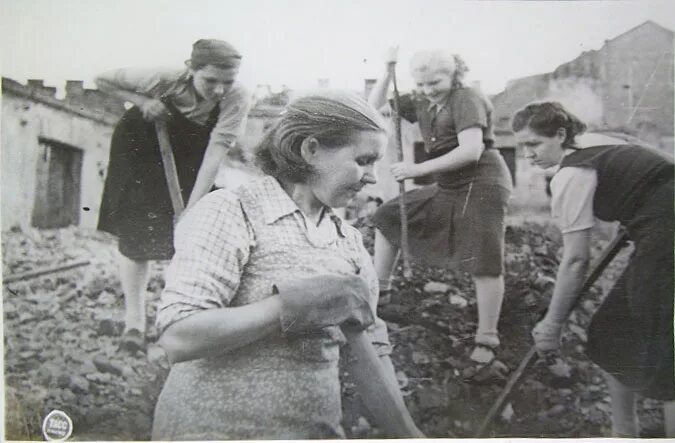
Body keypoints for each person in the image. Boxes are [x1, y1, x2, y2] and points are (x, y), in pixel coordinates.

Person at [151, 91, 424, 439]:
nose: (372, 176)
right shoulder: (233, 211)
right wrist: (291, 304)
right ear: (310, 150)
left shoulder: (349, 243)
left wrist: (411, 436)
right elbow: (178, 337)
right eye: (364, 160)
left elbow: (368, 351)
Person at [512, 101, 674, 437]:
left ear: (560, 134)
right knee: (611, 332)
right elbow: (646, 182)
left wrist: (553, 324)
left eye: (534, 144)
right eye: (521, 146)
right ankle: (624, 432)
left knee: (663, 350)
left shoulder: (572, 172)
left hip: (666, 236)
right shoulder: (601, 141)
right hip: (657, 233)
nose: (527, 155)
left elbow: (575, 259)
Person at [95, 39, 250, 351]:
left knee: (195, 236)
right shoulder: (161, 79)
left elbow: (214, 155)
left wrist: (191, 210)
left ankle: (178, 321)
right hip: (140, 144)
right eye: (210, 80)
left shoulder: (237, 97)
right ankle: (134, 325)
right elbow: (100, 79)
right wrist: (141, 102)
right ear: (190, 69)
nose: (219, 89)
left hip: (193, 152)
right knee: (137, 233)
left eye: (227, 82)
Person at [368, 48, 513, 367]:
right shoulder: (421, 100)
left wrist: (416, 170)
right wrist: (387, 68)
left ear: (454, 74)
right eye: (420, 83)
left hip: (482, 181)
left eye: (435, 82)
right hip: (448, 184)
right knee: (388, 216)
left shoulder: (466, 97)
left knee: (484, 258)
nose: (426, 89)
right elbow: (372, 107)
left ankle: (487, 339)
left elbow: (471, 151)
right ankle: (382, 296)